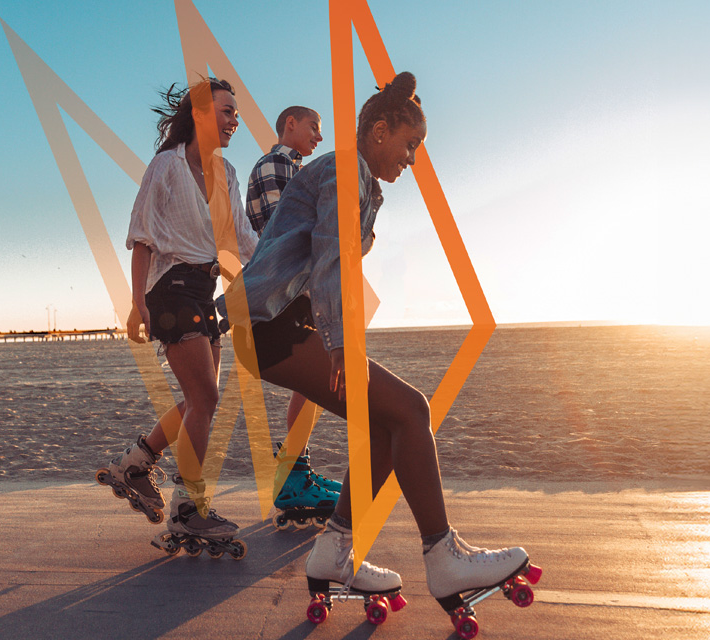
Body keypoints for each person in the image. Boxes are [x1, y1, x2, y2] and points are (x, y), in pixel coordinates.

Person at [223, 72, 530, 606]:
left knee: (392, 423)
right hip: (271, 326)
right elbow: (330, 257)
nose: (411, 159)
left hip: (279, 325)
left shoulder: (357, 179)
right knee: (411, 410)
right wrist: (341, 343)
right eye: (410, 146)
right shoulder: (344, 171)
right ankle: (444, 557)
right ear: (380, 131)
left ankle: (334, 552)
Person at [98, 78, 258, 554]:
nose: (235, 121)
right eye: (228, 111)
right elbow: (142, 233)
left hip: (204, 291)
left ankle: (135, 463)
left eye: (237, 114)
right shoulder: (166, 165)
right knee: (205, 396)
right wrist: (137, 303)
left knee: (196, 401)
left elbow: (242, 239)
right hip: (169, 289)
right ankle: (190, 509)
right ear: (202, 114)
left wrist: (288, 260)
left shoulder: (226, 173)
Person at [244, 106, 341, 523]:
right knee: (317, 377)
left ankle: (294, 469)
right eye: (314, 127)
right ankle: (291, 473)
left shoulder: (294, 169)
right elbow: (288, 232)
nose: (319, 136)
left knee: (315, 382)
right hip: (282, 294)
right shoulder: (276, 166)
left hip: (296, 291)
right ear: (290, 125)